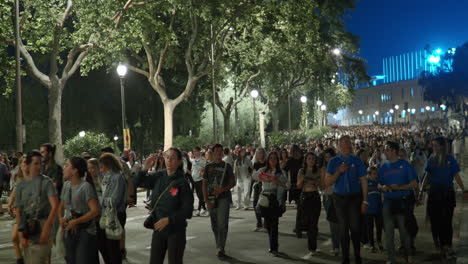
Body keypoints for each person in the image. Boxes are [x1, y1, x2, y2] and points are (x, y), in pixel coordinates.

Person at [134, 148, 194, 264]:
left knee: (174, 261)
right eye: (167, 157)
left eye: (173, 158)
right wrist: (144, 169)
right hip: (158, 228)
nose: (169, 160)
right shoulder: (159, 176)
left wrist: (169, 219)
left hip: (176, 230)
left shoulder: (182, 182)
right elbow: (137, 183)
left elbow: (188, 211)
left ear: (179, 161)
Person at [325, 135, 368, 264]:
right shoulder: (333, 161)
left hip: (354, 197)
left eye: (347, 143)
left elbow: (364, 180)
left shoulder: (357, 160)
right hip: (339, 198)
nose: (345, 145)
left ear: (350, 145)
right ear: (338, 145)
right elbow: (327, 181)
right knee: (343, 229)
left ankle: (357, 255)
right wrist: (338, 172)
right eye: (342, 143)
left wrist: (365, 200)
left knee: (355, 227)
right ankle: (345, 258)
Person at [421, 137, 465, 259]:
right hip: (434, 193)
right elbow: (427, 176)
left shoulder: (450, 159)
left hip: (447, 193)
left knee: (446, 220)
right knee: (435, 220)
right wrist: (421, 191)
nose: (433, 147)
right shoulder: (431, 159)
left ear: (441, 146)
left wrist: (463, 189)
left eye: (435, 145)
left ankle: (447, 245)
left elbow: (456, 175)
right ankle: (440, 244)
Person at [15, 151, 59, 264]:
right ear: (28, 164)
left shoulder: (46, 182)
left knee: (37, 259)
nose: (39, 166)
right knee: (30, 260)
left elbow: (55, 206)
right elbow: (18, 210)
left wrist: (46, 229)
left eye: (41, 163)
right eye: (36, 163)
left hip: (43, 223)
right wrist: (21, 235)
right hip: (27, 226)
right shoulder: (21, 185)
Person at [378, 141, 418, 264]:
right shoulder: (383, 166)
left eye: (387, 149)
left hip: (402, 202)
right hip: (388, 202)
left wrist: (399, 187)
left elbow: (414, 184)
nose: (385, 152)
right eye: (385, 149)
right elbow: (378, 183)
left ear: (394, 151)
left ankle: (407, 255)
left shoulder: (405, 165)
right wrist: (382, 187)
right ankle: (391, 258)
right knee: (388, 233)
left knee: (404, 231)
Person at [59, 157, 100, 264]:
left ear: (75, 170)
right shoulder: (66, 185)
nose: (64, 168)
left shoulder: (85, 187)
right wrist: (61, 218)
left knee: (82, 259)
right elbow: (61, 205)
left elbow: (95, 211)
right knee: (71, 260)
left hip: (85, 232)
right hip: (69, 230)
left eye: (67, 165)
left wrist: (77, 221)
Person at [202, 144, 236, 259]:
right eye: (216, 151)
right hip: (211, 199)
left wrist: (222, 189)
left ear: (222, 153)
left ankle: (221, 247)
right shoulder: (208, 167)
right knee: (214, 224)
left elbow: (233, 182)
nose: (218, 153)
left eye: (220, 151)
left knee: (222, 223)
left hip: (224, 198)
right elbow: (204, 183)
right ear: (212, 152)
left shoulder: (227, 166)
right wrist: (206, 199)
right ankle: (219, 244)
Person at [252, 152, 290, 256]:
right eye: (271, 158)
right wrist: (263, 177)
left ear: (277, 160)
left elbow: (288, 185)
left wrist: (278, 181)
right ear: (268, 160)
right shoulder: (264, 170)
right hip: (264, 198)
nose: (273, 160)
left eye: (275, 159)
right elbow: (254, 175)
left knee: (274, 224)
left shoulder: (280, 172)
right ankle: (272, 244)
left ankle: (274, 247)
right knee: (268, 224)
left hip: (274, 198)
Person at [97, 153, 127, 264]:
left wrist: (101, 201)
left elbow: (115, 200)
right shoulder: (106, 178)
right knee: (103, 244)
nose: (101, 170)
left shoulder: (117, 177)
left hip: (116, 214)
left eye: (102, 167)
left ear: (109, 165)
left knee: (113, 247)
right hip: (106, 214)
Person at [297, 152, 322, 258]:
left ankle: (312, 247)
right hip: (305, 197)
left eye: (313, 159)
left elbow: (321, 185)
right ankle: (303, 233)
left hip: (315, 196)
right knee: (307, 222)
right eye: (309, 159)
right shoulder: (301, 171)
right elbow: (298, 185)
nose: (311, 161)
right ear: (306, 160)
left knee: (313, 223)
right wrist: (303, 179)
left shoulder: (318, 171)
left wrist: (315, 182)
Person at [7, 155, 28, 264]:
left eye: (26, 162)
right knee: (15, 238)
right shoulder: (19, 177)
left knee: (26, 239)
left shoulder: (33, 177)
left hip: (29, 213)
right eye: (23, 162)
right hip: (20, 212)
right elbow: (15, 189)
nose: (25, 164)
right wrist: (10, 204)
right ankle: (20, 259)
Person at [320, 148, 340, 256]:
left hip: (338, 195)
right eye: (326, 157)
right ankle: (335, 246)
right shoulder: (324, 169)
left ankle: (340, 244)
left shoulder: (338, 167)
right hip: (328, 197)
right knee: (332, 223)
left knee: (341, 222)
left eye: (330, 157)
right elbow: (323, 184)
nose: (328, 159)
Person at [364, 166, 383, 252]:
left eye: (376, 173)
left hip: (378, 208)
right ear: (369, 174)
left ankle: (379, 242)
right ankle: (371, 244)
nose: (376, 175)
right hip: (369, 209)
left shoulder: (379, 181)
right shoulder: (366, 182)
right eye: (374, 174)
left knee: (379, 226)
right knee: (369, 227)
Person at [251, 147, 267, 231]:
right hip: (257, 185)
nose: (260, 154)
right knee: (255, 204)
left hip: (266, 185)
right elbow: (254, 175)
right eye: (258, 153)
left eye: (261, 153)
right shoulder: (256, 164)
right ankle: (259, 223)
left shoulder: (267, 163)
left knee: (264, 203)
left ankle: (266, 224)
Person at [191, 147, 208, 216]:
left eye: (195, 151)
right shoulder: (194, 160)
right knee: (198, 195)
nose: (194, 153)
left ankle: (198, 209)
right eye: (193, 151)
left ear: (199, 152)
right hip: (194, 179)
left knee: (201, 194)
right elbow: (193, 169)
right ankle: (203, 208)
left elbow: (205, 168)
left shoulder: (203, 160)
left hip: (200, 179)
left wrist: (202, 171)